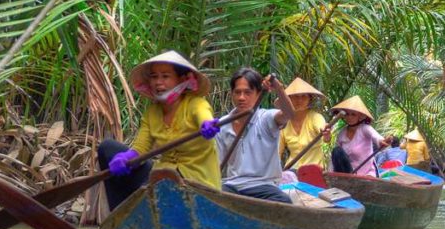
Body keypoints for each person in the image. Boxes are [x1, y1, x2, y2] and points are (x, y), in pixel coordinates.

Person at [98, 51, 220, 210]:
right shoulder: (152, 112)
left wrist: (208, 125)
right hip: (162, 177)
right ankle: (121, 216)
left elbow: (204, 117)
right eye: (154, 77)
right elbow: (141, 149)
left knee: (165, 178)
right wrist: (127, 158)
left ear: (182, 80)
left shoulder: (195, 104)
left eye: (165, 76)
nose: (158, 82)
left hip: (196, 181)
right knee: (108, 149)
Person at [216, 68, 296, 202]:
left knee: (284, 201)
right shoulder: (222, 124)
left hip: (263, 187)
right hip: (232, 186)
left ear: (258, 94)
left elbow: (289, 114)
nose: (242, 97)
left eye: (248, 92)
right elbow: (216, 163)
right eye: (238, 92)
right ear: (231, 94)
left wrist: (278, 87)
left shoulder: (266, 118)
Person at [278, 78, 331, 169]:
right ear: (288, 99)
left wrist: (326, 134)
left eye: (303, 96)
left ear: (309, 99)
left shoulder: (315, 117)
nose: (299, 100)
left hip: (314, 171)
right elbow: (277, 152)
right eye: (295, 96)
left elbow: (323, 131)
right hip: (291, 172)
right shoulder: (284, 123)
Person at [330, 96, 387, 177]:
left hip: (367, 173)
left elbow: (376, 137)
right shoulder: (341, 133)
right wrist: (329, 175)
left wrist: (381, 141)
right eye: (347, 114)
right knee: (336, 151)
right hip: (348, 174)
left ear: (360, 116)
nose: (349, 117)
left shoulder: (365, 129)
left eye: (353, 114)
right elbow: (334, 159)